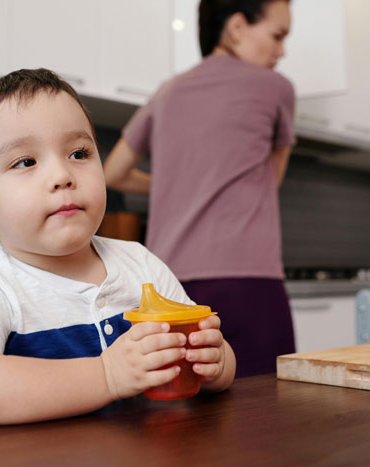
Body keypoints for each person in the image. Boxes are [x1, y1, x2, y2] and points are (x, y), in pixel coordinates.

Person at [0, 69, 236, 426]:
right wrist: (108, 375)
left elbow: (210, 366)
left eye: (78, 153)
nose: (62, 176)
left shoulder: (140, 264)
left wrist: (215, 361)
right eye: (25, 162)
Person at [103, 0, 295, 377]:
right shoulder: (276, 87)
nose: (282, 50)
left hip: (167, 286)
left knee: (181, 419)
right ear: (237, 27)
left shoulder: (169, 90)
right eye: (277, 35)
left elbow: (113, 172)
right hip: (249, 280)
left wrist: (180, 186)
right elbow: (271, 180)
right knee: (270, 410)